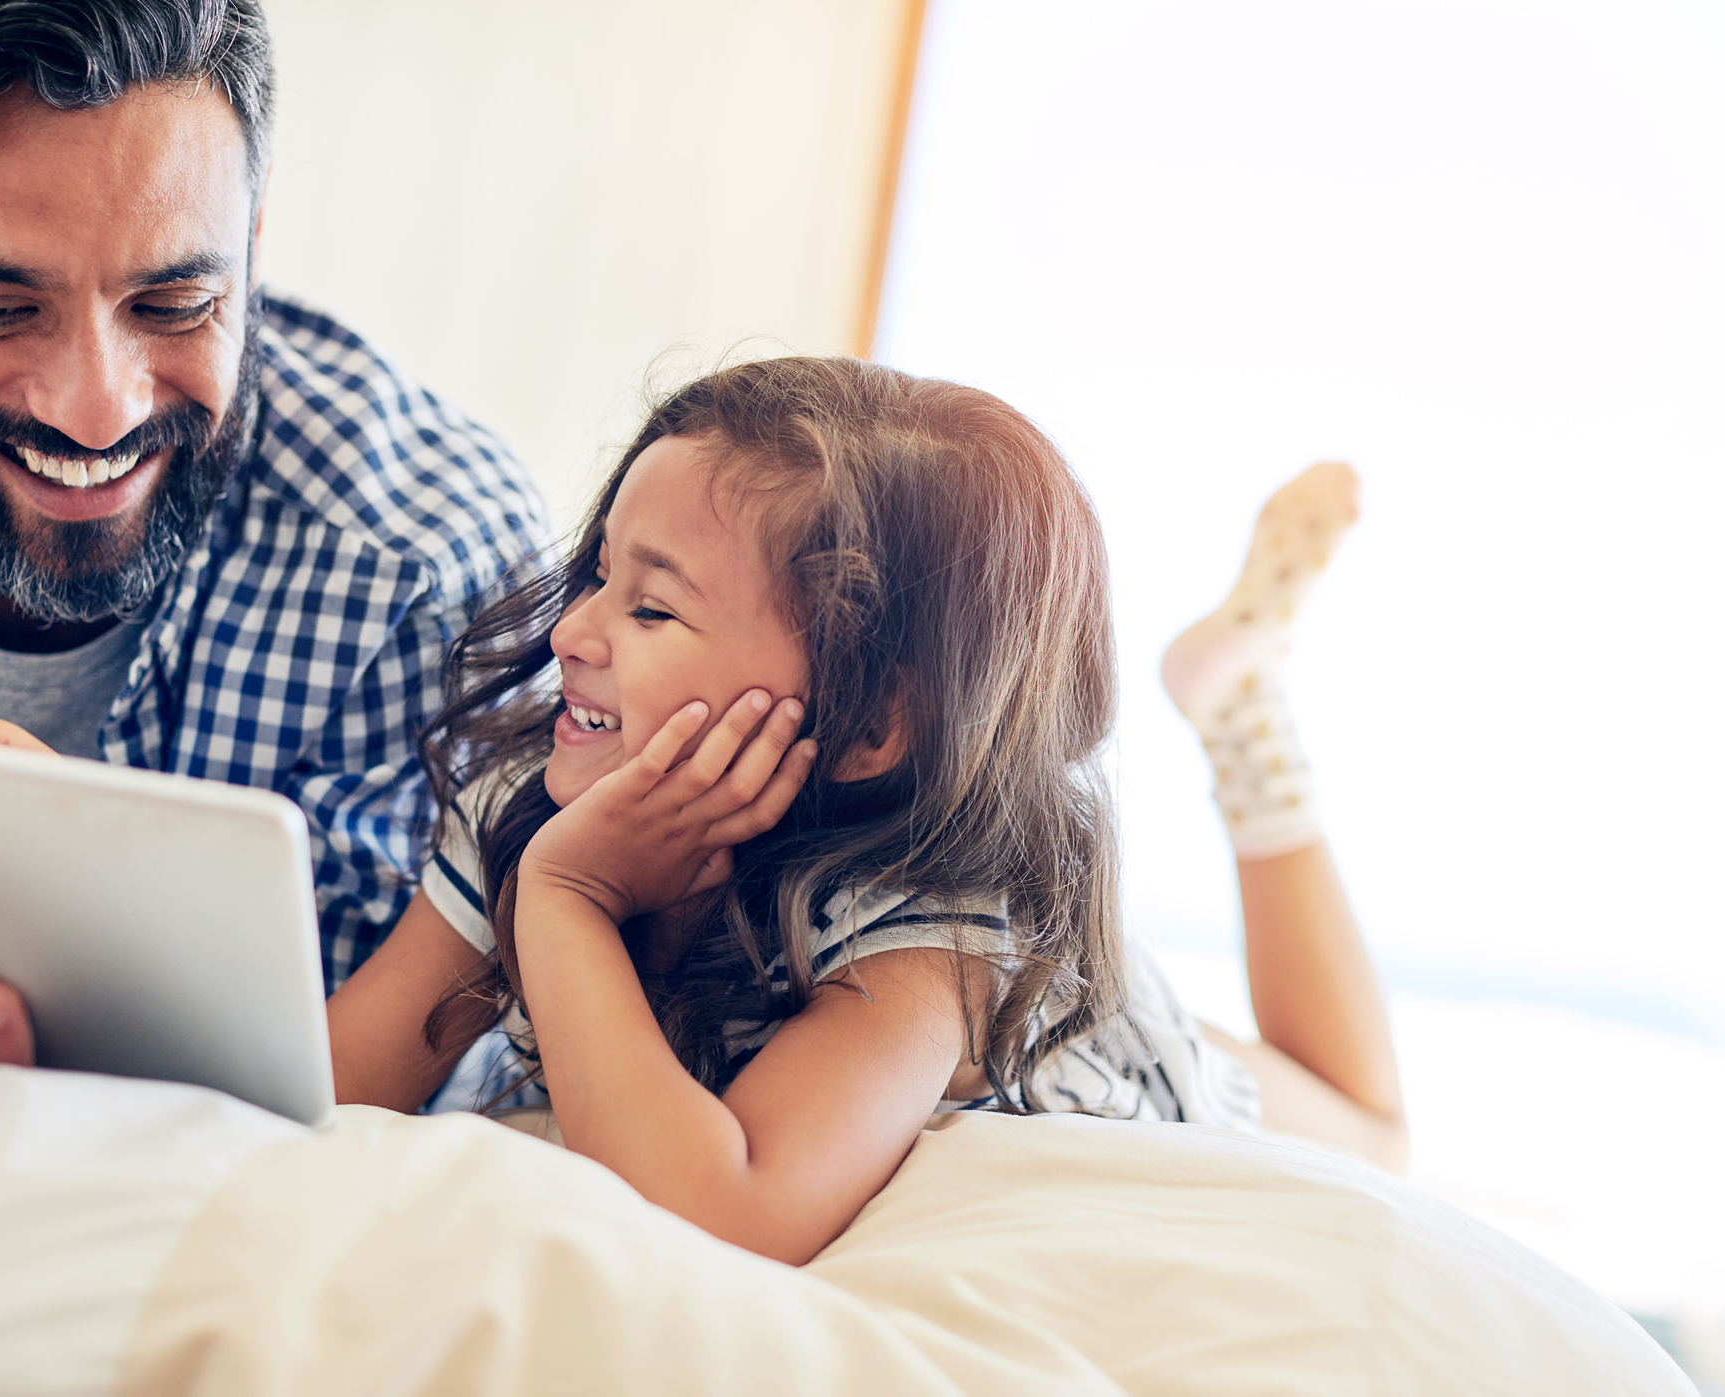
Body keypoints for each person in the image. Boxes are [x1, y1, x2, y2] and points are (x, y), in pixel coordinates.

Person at [324, 357, 1405, 1266]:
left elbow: (723, 1208)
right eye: (598, 576)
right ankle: (1237, 694)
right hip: (1004, 973)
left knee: (1372, 1136)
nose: (574, 634)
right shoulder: (532, 804)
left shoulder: (928, 937)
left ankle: (1238, 709)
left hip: (1100, 1045)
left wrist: (566, 898)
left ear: (867, 722)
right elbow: (343, 1076)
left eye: (650, 606)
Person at [0, 0, 546, 1084]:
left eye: (176, 300)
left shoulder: (426, 573)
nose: (96, 412)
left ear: (253, 234)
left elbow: (373, 1111)